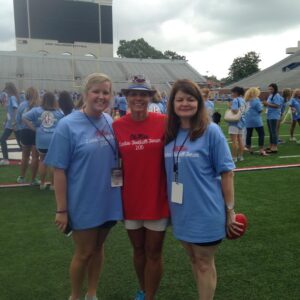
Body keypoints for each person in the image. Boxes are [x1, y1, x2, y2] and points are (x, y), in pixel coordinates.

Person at [45, 73, 123, 300]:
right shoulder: (67, 125)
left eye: (106, 92)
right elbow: (58, 169)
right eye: (96, 91)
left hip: (108, 199)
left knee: (98, 248)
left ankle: (92, 292)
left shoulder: (110, 121)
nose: (101, 96)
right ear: (85, 94)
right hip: (82, 201)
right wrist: (61, 209)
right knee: (84, 252)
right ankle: (75, 296)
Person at [164, 79, 243, 300]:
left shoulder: (211, 132)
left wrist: (230, 211)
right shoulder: (169, 133)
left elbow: (227, 173)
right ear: (172, 104)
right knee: (194, 260)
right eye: (179, 99)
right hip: (180, 211)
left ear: (199, 102)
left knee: (204, 263)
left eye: (190, 99)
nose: (185, 103)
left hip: (206, 210)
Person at [113, 75, 169, 300]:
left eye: (143, 94)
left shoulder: (164, 121)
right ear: (126, 97)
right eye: (133, 94)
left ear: (150, 97)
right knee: (138, 250)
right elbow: (113, 163)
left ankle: (150, 296)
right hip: (130, 199)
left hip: (157, 198)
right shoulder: (117, 125)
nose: (138, 98)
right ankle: (142, 288)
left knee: (154, 252)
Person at [23, 92, 64, 190]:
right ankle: (53, 185)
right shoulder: (58, 112)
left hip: (41, 139)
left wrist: (34, 128)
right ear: (54, 101)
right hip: (53, 139)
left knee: (42, 161)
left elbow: (24, 117)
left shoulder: (37, 110)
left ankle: (42, 183)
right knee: (52, 162)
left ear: (43, 99)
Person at [16, 87, 40, 184]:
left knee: (25, 156)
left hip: (24, 132)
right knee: (35, 157)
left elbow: (18, 120)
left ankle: (21, 177)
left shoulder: (22, 105)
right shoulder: (39, 106)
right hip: (35, 132)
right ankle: (33, 179)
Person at [0, 82, 20, 165]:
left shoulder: (12, 98)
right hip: (10, 123)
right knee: (20, 141)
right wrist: (6, 120)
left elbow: (16, 109)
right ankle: (27, 157)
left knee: (3, 139)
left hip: (13, 124)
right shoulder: (9, 98)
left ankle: (6, 159)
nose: (5, 90)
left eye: (6, 88)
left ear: (9, 89)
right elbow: (9, 111)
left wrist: (14, 122)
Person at [244, 87, 267, 156]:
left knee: (249, 134)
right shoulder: (256, 99)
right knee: (261, 134)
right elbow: (259, 110)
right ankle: (261, 150)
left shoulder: (246, 100)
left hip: (247, 119)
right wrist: (263, 106)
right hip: (256, 119)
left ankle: (249, 148)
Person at [227, 86, 246, 162]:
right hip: (242, 121)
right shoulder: (243, 100)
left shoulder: (235, 100)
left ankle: (234, 157)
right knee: (240, 139)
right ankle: (240, 156)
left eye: (232, 92)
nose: (231, 94)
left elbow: (234, 111)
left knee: (234, 140)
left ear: (236, 93)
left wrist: (230, 106)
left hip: (234, 122)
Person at [263, 83, 282, 153]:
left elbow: (277, 105)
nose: (270, 90)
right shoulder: (270, 95)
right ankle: (271, 145)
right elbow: (269, 105)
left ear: (275, 89)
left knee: (273, 132)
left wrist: (267, 104)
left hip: (274, 116)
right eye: (269, 89)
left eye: (271, 89)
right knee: (271, 132)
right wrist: (265, 104)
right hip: (269, 115)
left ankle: (275, 147)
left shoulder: (276, 95)